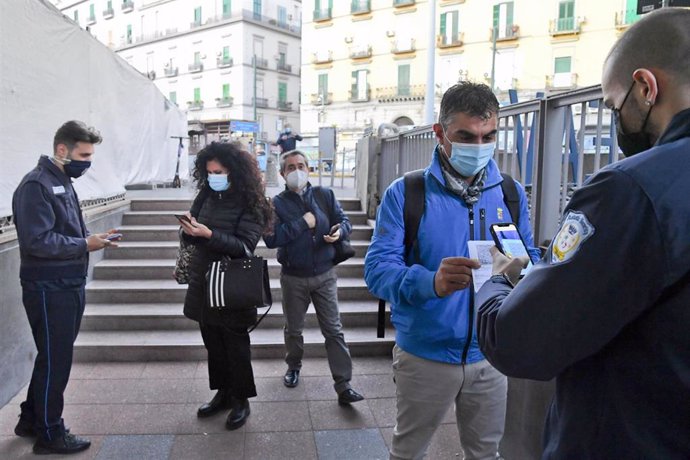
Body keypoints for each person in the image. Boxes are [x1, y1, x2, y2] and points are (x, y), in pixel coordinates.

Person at [476, 9, 690, 459]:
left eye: (615, 106)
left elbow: (520, 342)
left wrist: (497, 282)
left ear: (646, 87)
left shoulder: (630, 190)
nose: (618, 124)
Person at [364, 82, 540, 460]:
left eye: (488, 135)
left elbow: (528, 253)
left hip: (490, 354)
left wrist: (526, 269)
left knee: (485, 453)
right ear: (440, 133)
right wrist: (431, 282)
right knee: (409, 451)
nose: (479, 146)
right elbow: (378, 270)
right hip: (425, 353)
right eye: (466, 136)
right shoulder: (406, 193)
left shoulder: (509, 192)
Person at [12, 120, 117, 455]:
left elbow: (63, 231)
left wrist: (89, 242)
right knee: (56, 360)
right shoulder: (36, 185)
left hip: (65, 282)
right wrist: (86, 244)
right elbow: (38, 241)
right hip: (48, 286)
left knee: (52, 357)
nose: (87, 162)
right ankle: (49, 434)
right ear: (62, 150)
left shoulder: (61, 180)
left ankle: (31, 419)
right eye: (84, 154)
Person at [180, 142, 272, 430]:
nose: (212, 177)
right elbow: (194, 233)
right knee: (213, 344)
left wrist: (209, 234)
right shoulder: (207, 195)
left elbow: (244, 247)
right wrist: (189, 232)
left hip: (232, 284)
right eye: (208, 172)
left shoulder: (253, 203)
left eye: (218, 172)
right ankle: (222, 393)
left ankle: (241, 399)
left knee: (236, 345)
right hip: (204, 280)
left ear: (234, 172)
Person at [263, 150, 364, 405]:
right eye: (290, 167)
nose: (296, 170)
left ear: (309, 168)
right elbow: (271, 238)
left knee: (333, 330)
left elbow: (344, 221)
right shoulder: (276, 203)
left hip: (325, 274)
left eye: (301, 165)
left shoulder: (324, 195)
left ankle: (343, 384)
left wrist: (339, 231)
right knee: (294, 328)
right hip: (293, 277)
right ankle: (293, 366)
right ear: (283, 173)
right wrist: (302, 223)